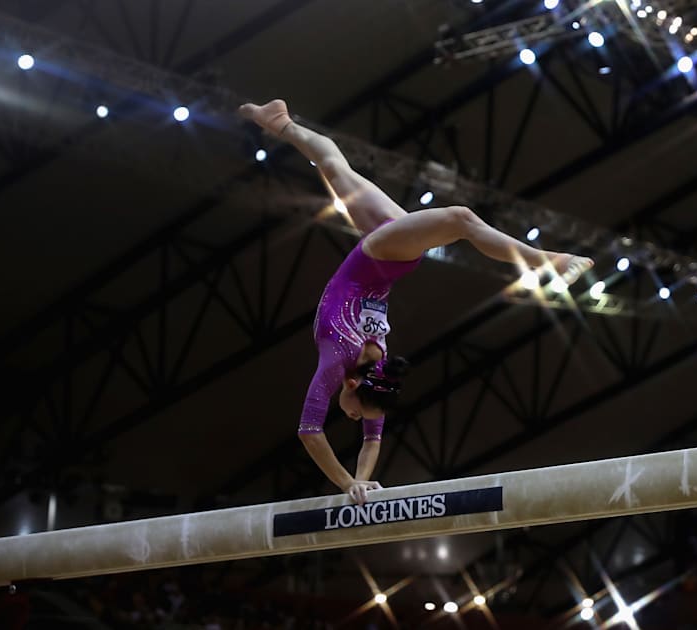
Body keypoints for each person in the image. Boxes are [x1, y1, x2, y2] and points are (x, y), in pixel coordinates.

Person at [237, 99, 594, 505]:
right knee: (457, 218)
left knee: (337, 167)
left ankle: (279, 122)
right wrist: (353, 482)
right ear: (353, 385)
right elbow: (341, 433)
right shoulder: (373, 374)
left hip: (381, 255)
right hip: (383, 255)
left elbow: (319, 433)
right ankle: (551, 260)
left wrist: (353, 484)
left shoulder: (342, 360)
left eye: (354, 415)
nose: (351, 417)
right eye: (356, 415)